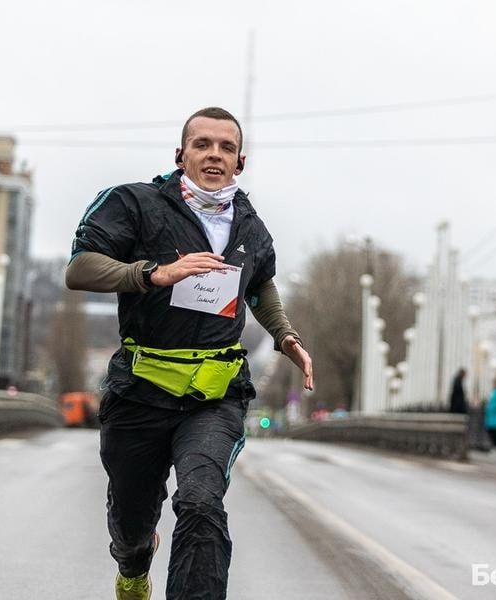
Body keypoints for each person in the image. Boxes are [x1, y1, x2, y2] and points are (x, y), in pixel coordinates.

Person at [65, 106, 313, 600]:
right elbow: (81, 269)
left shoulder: (251, 228)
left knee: (201, 504)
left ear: (239, 162)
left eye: (225, 147)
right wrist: (151, 273)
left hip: (213, 396)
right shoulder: (134, 204)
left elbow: (259, 287)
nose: (214, 155)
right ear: (181, 155)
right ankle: (134, 565)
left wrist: (287, 339)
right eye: (202, 145)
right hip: (140, 392)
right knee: (131, 527)